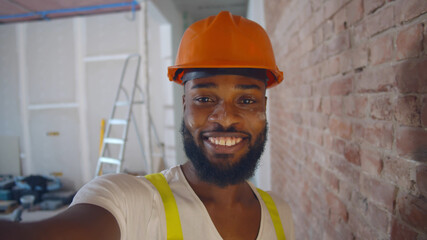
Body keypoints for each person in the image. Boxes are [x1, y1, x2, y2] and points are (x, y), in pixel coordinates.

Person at [0, 11, 294, 240]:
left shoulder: (280, 214)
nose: (226, 117)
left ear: (264, 109)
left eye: (246, 101)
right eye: (204, 98)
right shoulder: (133, 203)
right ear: (184, 106)